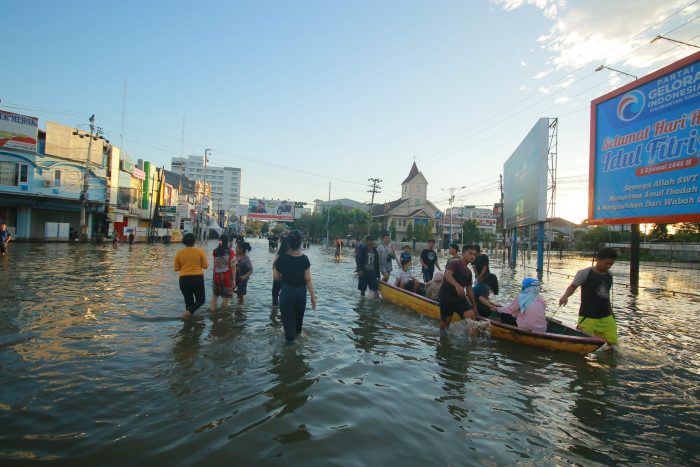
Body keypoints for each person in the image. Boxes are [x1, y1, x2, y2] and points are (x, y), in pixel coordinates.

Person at [559, 247, 619, 349]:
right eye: (606, 263)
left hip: (606, 316)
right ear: (597, 259)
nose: (608, 266)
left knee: (613, 346)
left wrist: (612, 312)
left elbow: (606, 296)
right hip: (587, 317)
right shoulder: (584, 273)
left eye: (611, 263)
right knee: (583, 346)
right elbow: (573, 287)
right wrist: (565, 296)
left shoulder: (610, 275)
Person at [274, 230, 317, 343]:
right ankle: (298, 355)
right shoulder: (304, 259)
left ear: (288, 243)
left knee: (289, 332)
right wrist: (313, 297)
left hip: (287, 294)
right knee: (298, 329)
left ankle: (289, 353)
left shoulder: (281, 258)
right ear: (300, 243)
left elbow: (276, 278)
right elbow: (308, 279)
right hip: (301, 295)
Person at [438, 245, 478, 332]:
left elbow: (469, 290)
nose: (472, 256)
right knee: (445, 323)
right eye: (470, 253)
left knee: (473, 321)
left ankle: (472, 344)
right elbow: (447, 275)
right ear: (463, 254)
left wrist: (474, 306)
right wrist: (457, 285)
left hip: (459, 298)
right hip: (446, 297)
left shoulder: (468, 272)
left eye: (474, 254)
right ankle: (442, 340)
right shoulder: (455, 263)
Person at [173, 232, 209, 319]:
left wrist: (186, 266)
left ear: (184, 242)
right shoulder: (200, 251)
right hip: (197, 279)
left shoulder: (179, 253)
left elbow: (176, 268)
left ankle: (188, 325)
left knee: (188, 302)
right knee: (201, 300)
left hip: (183, 280)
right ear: (194, 241)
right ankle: (188, 313)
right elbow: (205, 266)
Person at [210, 235, 237, 310]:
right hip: (227, 277)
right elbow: (233, 267)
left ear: (219, 241)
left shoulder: (215, 251)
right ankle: (223, 314)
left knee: (215, 296)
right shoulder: (231, 252)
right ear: (228, 242)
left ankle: (213, 313)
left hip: (216, 276)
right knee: (226, 297)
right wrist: (234, 280)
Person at [272, 236, 290, 305]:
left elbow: (273, 264)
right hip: (287, 279)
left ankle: (274, 311)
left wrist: (275, 269)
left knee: (275, 295)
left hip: (278, 277)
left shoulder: (280, 254)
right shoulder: (291, 254)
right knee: (285, 296)